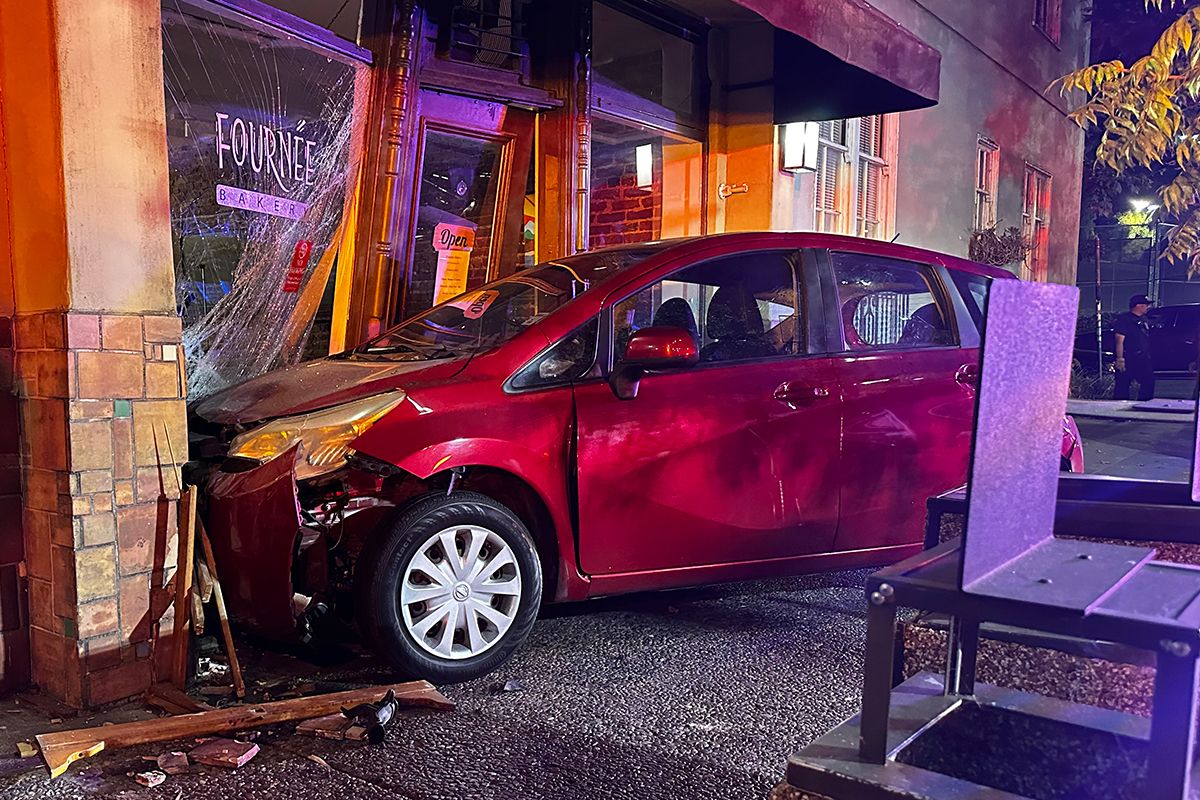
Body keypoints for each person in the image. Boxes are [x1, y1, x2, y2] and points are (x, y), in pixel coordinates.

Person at [1113, 294, 1156, 401]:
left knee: (1148, 382)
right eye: (1146, 305)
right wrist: (1120, 359)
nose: (1147, 307)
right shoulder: (1124, 320)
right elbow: (1119, 340)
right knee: (1123, 385)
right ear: (1138, 305)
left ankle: (1144, 407)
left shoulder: (1144, 320)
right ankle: (1119, 413)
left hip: (1143, 358)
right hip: (1129, 357)